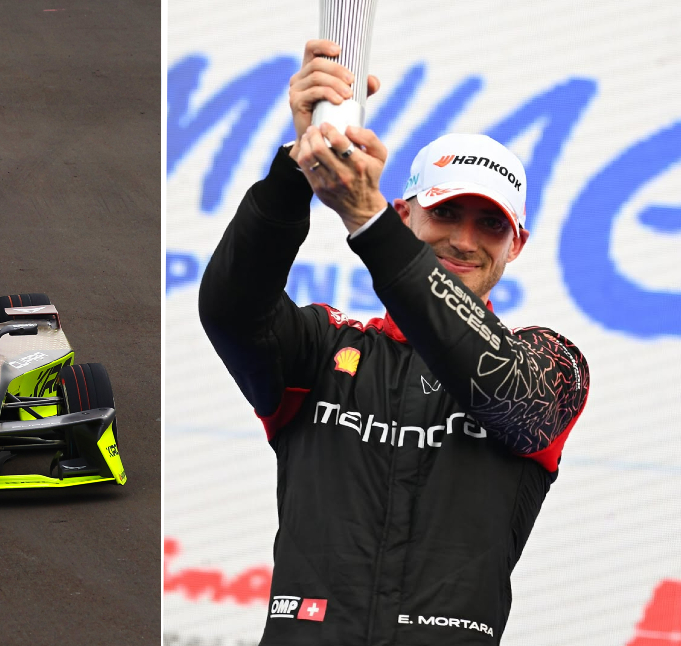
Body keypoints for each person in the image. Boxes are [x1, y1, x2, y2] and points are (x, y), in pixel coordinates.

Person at [198, 39, 590, 645]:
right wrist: (298, 167)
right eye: (446, 212)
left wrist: (368, 220)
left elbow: (501, 385)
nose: (464, 240)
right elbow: (231, 309)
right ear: (408, 216)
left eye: (490, 224)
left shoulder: (551, 365)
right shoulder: (323, 348)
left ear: (516, 245)